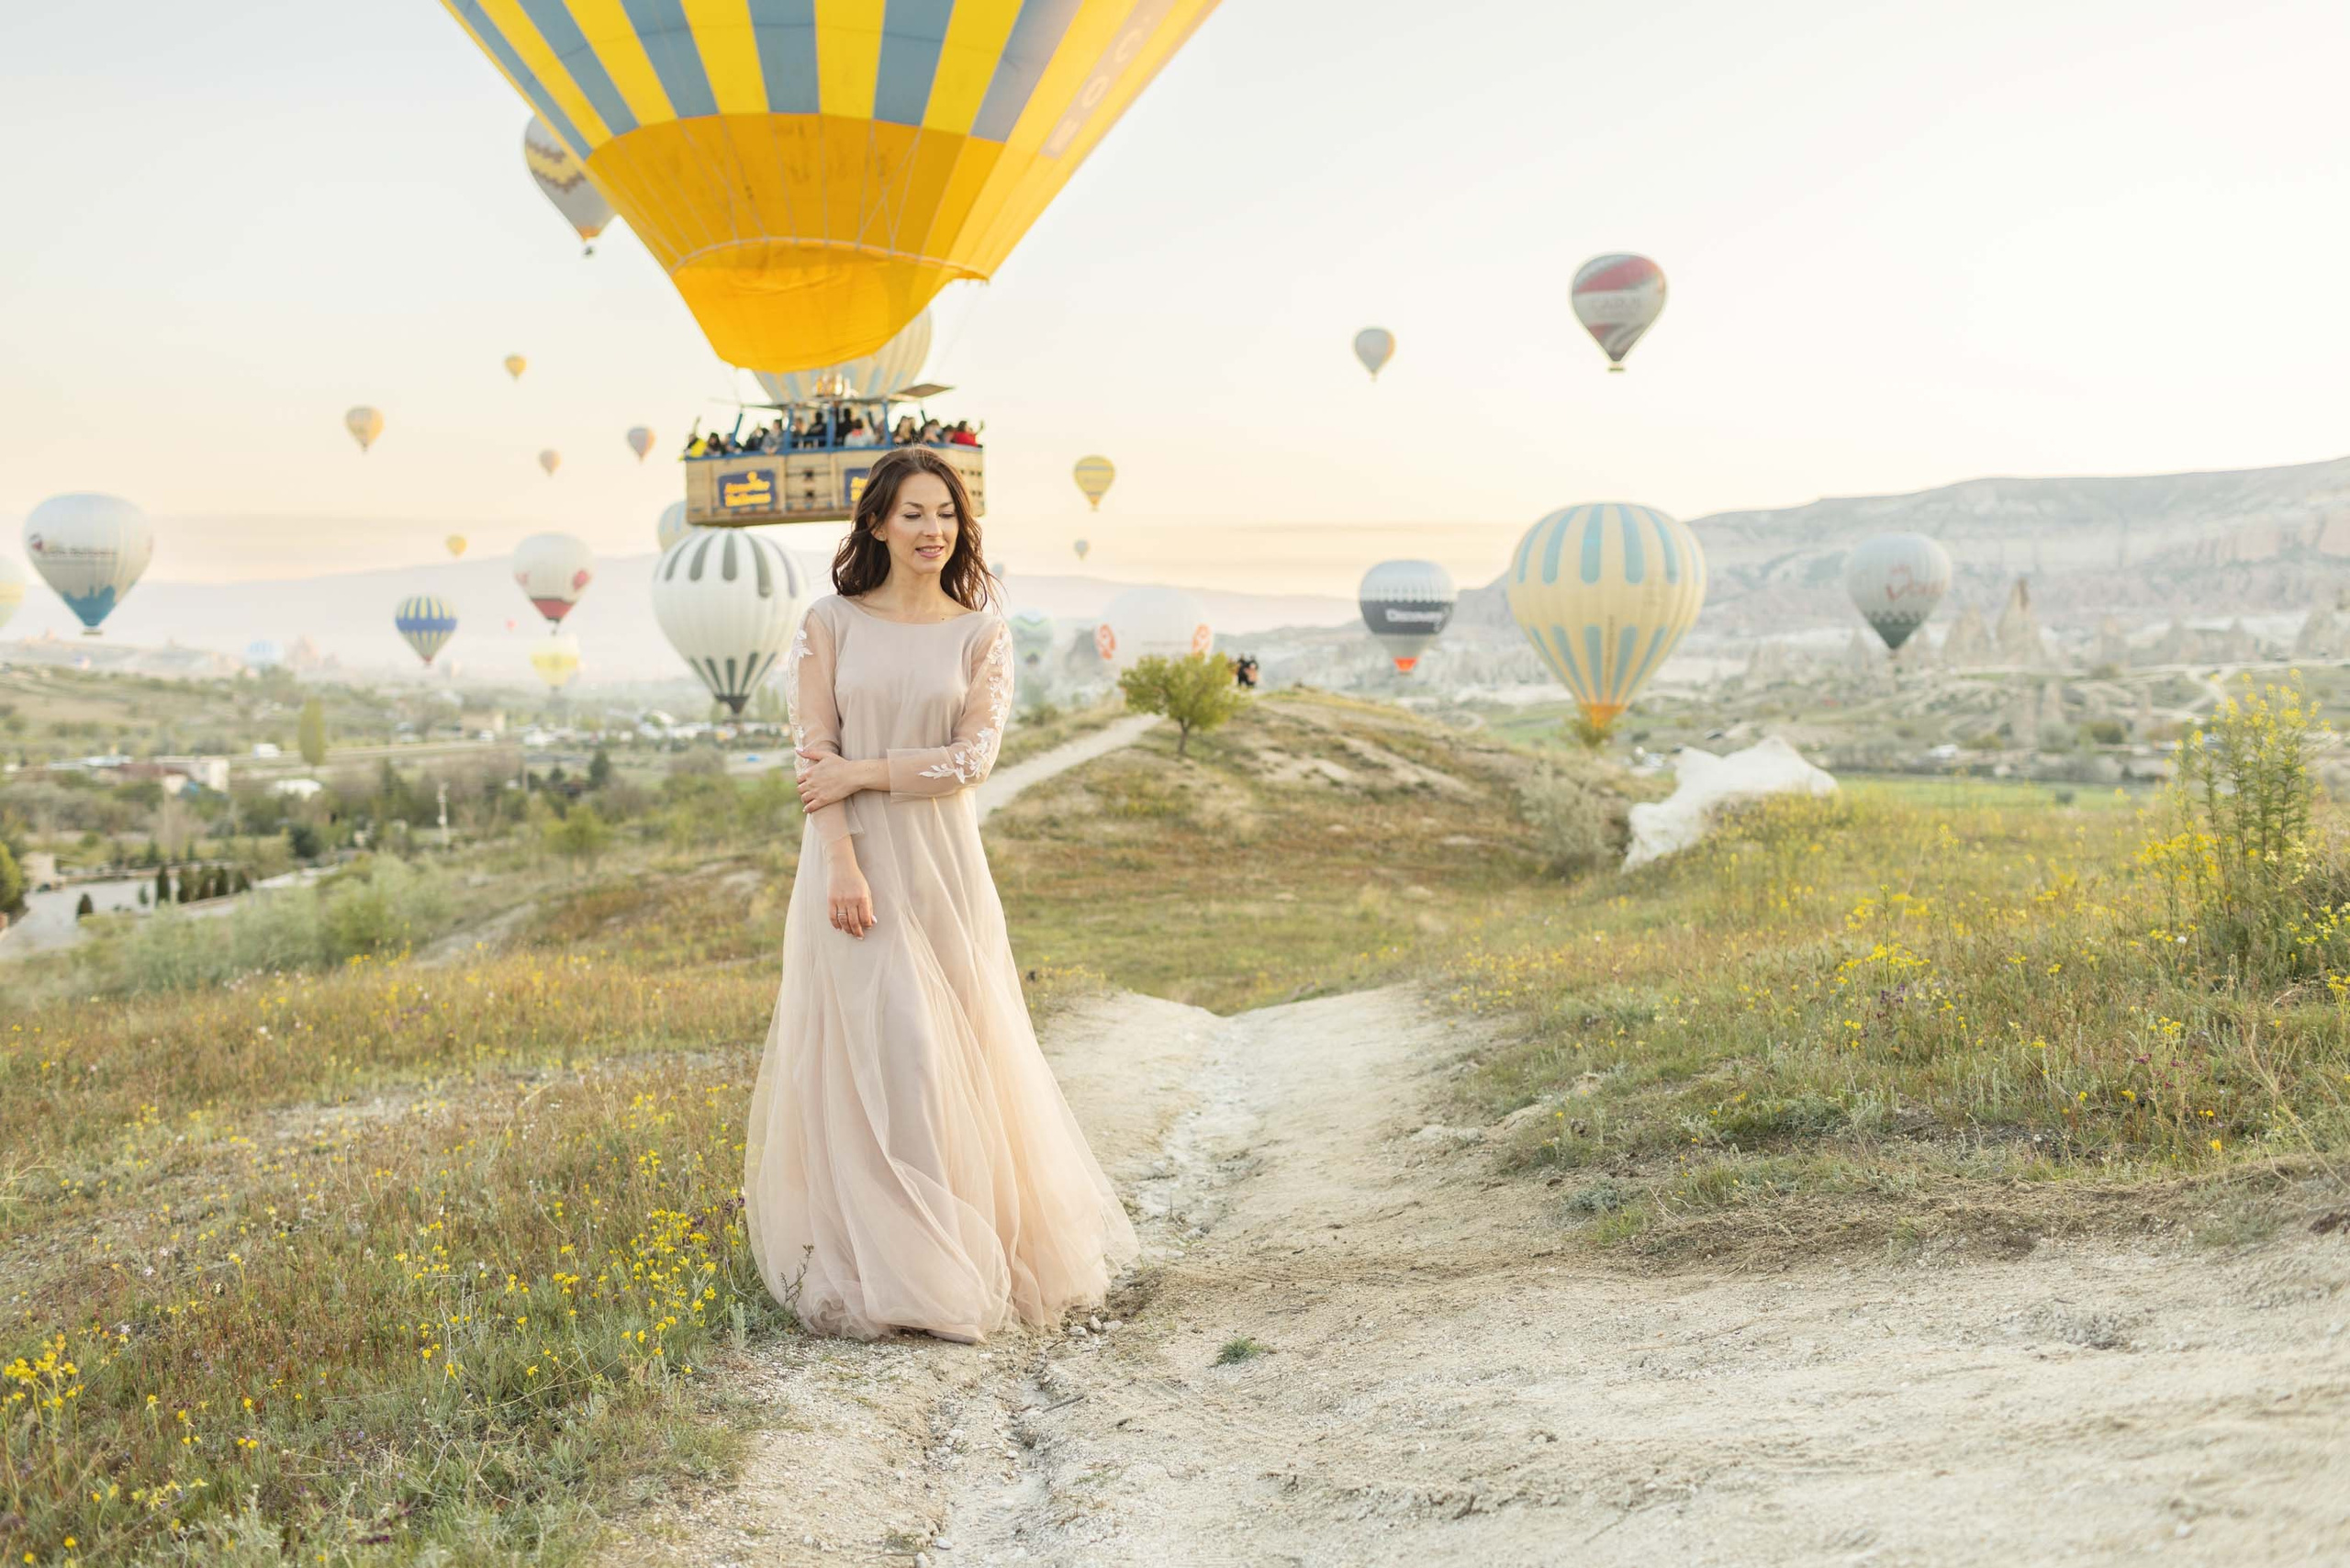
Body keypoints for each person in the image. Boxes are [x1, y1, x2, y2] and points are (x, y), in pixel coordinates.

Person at [746, 448, 1136, 1342]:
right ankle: (902, 1264)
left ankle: (964, 1252)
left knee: (956, 1054)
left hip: (944, 867)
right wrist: (842, 861)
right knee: (894, 1055)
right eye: (914, 513)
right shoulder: (829, 622)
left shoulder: (979, 631)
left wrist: (868, 767)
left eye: (947, 515)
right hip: (852, 868)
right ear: (876, 523)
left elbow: (971, 759)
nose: (933, 531)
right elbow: (813, 761)